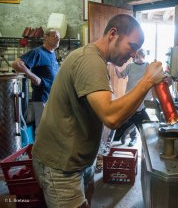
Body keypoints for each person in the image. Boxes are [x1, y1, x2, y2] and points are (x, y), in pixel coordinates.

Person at [31, 14, 165, 208]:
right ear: (113, 34)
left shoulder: (97, 60)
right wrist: (147, 81)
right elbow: (111, 117)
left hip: (80, 160)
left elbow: (108, 105)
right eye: (132, 47)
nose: (134, 55)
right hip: (61, 165)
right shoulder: (90, 61)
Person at [12, 28, 60, 129]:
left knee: (51, 132)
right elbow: (16, 64)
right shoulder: (37, 52)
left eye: (59, 37)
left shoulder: (52, 54)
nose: (58, 39)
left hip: (51, 99)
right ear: (45, 37)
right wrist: (33, 77)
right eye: (54, 36)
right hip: (41, 99)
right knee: (42, 132)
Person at [112, 48, 152, 147]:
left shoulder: (148, 66)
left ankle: (129, 136)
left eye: (140, 56)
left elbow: (153, 77)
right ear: (135, 57)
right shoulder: (130, 66)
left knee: (137, 116)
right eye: (136, 57)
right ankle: (128, 136)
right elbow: (120, 75)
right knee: (132, 116)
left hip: (142, 97)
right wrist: (115, 66)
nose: (138, 59)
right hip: (130, 96)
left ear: (143, 57)